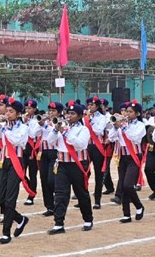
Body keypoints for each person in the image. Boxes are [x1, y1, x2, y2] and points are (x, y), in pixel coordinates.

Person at [48, 101, 93, 234]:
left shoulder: (83, 129)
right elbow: (50, 141)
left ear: (79, 116)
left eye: (73, 114)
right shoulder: (61, 126)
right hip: (62, 163)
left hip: (77, 164)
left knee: (81, 193)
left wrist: (66, 132)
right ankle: (59, 223)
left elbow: (80, 144)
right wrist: (56, 129)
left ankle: (88, 219)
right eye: (68, 113)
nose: (69, 116)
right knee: (60, 194)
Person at [0, 99, 31, 244]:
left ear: (18, 113)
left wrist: (3, 129)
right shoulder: (4, 125)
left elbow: (16, 141)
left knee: (10, 198)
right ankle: (20, 219)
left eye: (11, 112)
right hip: (3, 161)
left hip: (16, 161)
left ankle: (6, 233)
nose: (7, 114)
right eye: (7, 111)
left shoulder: (23, 128)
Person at [109, 100, 147, 223]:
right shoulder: (122, 124)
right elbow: (111, 138)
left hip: (134, 156)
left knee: (128, 185)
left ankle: (139, 206)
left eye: (130, 112)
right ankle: (126, 214)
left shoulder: (140, 125)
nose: (127, 114)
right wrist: (115, 127)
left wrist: (123, 126)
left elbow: (134, 138)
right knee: (122, 186)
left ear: (137, 113)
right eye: (126, 111)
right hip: (122, 156)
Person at [39, 102, 64, 217]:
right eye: (49, 111)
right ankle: (49, 206)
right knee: (44, 179)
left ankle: (59, 201)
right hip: (43, 152)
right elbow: (33, 133)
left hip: (55, 153)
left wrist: (45, 125)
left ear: (59, 112)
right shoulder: (44, 122)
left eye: (53, 111)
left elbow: (53, 134)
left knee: (51, 180)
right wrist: (40, 124)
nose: (50, 113)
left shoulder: (61, 123)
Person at [84, 96, 108, 210]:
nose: (90, 107)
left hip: (98, 147)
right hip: (87, 146)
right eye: (88, 105)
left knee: (99, 174)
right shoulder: (84, 118)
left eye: (92, 105)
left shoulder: (102, 118)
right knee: (84, 172)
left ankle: (97, 200)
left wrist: (90, 121)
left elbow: (99, 131)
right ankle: (83, 197)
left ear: (97, 106)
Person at [22, 99, 41, 205]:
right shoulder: (23, 120)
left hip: (33, 148)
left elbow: (33, 135)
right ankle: (30, 188)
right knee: (21, 172)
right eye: (26, 108)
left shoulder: (36, 121)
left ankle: (31, 195)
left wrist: (26, 124)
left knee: (32, 173)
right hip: (24, 148)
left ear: (34, 109)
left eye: (30, 108)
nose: (27, 110)